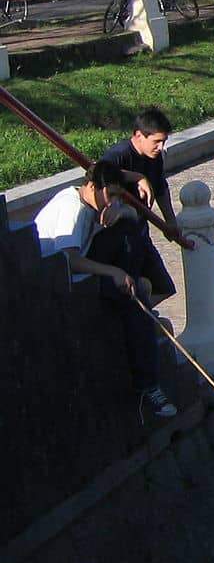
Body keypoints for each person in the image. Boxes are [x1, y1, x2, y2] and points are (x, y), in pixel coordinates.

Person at [33, 161, 178, 418]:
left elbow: (135, 216)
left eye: (116, 196)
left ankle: (134, 291)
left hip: (82, 270)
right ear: (91, 186)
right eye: (109, 195)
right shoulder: (72, 209)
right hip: (55, 283)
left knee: (129, 230)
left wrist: (122, 210)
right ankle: (148, 387)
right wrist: (115, 272)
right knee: (136, 303)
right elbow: (70, 260)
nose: (111, 201)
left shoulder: (95, 203)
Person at [99, 107, 182, 311]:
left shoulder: (155, 158)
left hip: (140, 233)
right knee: (134, 289)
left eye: (164, 142)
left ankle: (138, 316)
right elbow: (99, 174)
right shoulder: (117, 156)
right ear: (138, 135)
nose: (161, 147)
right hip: (119, 239)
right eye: (156, 142)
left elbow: (161, 188)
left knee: (163, 287)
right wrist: (136, 177)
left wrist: (170, 222)